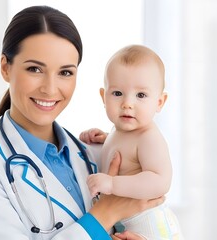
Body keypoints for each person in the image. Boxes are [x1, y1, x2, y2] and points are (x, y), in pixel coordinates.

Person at [0, 6, 164, 240]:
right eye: (35, 69)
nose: (50, 89)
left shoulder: (94, 153)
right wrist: (105, 214)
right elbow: (105, 219)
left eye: (65, 73)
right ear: (5, 67)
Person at [80, 45, 183, 239]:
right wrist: (104, 138)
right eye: (117, 93)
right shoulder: (120, 130)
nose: (127, 103)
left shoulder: (148, 136)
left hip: (152, 225)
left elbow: (160, 181)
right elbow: (125, 152)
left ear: (160, 102)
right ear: (104, 96)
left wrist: (112, 184)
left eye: (141, 95)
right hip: (125, 222)